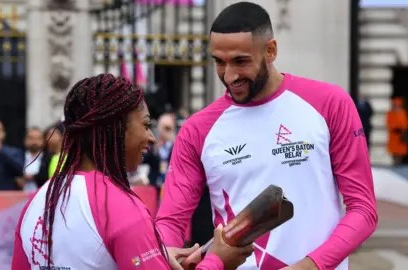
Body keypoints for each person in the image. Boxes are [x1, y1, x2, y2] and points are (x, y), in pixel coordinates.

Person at [156, 2, 377, 270]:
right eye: (219, 62)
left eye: (240, 61)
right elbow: (170, 220)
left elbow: (363, 210)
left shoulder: (330, 103)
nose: (229, 75)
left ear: (271, 50)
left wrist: (308, 266)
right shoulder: (197, 129)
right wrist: (168, 252)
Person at [11, 74, 253, 270]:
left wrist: (156, 255)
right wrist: (218, 261)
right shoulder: (118, 205)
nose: (150, 137)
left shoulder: (37, 202)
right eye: (146, 124)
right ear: (117, 129)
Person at [386, 97, 408, 165]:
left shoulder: (403, 113)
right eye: (395, 105)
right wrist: (394, 127)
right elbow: (388, 123)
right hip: (393, 134)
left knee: (400, 149)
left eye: (398, 105)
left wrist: (402, 128)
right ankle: (395, 161)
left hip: (400, 134)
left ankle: (399, 161)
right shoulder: (390, 113)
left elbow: (406, 122)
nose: (396, 106)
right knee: (393, 149)